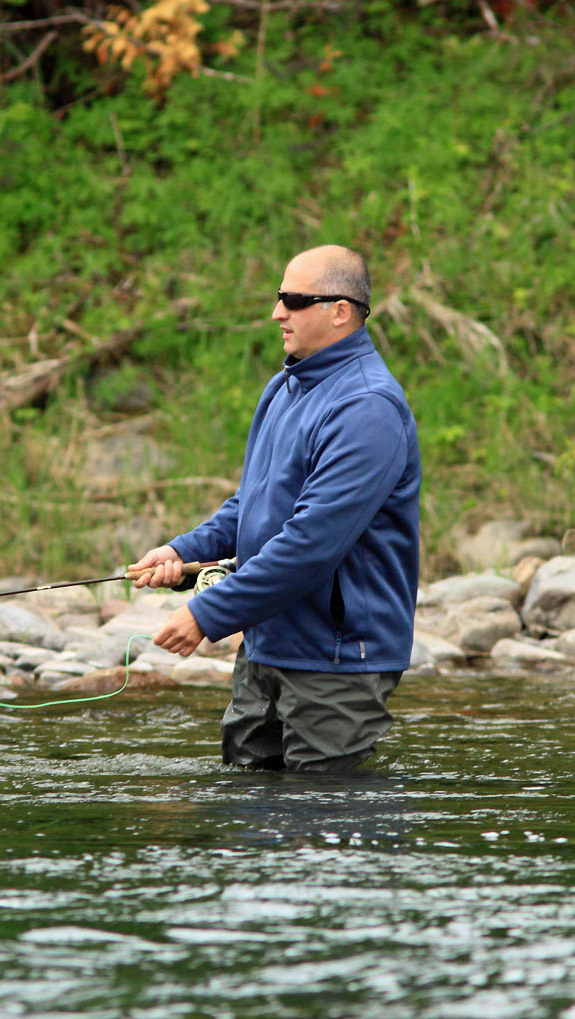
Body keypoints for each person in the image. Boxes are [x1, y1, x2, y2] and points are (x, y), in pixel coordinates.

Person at [130, 244, 421, 773]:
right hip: (266, 647)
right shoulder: (285, 386)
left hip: (336, 663)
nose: (277, 312)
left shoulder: (367, 408)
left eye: (293, 299)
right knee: (248, 828)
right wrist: (182, 552)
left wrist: (206, 613)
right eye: (278, 296)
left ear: (340, 311)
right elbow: (253, 502)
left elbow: (311, 544)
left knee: (321, 829)